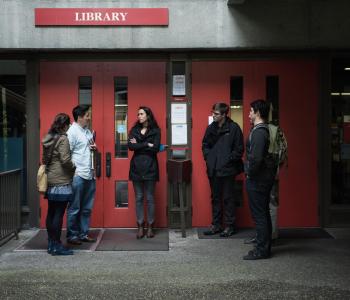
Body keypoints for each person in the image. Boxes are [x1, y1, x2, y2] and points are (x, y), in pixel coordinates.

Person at [202, 102, 244, 237]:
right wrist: (209, 159)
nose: (213, 115)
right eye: (213, 113)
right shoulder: (210, 129)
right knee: (215, 198)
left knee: (228, 198)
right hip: (213, 169)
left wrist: (227, 160)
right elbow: (205, 145)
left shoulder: (234, 128)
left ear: (224, 114)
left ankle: (230, 226)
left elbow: (239, 149)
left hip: (228, 170)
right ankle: (216, 225)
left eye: (216, 114)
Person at [243, 99, 277, 260]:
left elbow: (255, 159)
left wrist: (249, 172)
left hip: (258, 179)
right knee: (263, 213)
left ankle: (261, 250)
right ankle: (264, 247)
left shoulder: (259, 133)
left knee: (260, 215)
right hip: (264, 178)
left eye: (250, 111)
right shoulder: (264, 131)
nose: (249, 114)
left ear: (257, 112)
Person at [42, 113, 75, 255]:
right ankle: (56, 246)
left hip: (50, 179)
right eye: (68, 125)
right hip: (61, 180)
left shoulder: (49, 137)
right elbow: (65, 160)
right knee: (59, 214)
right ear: (65, 125)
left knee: (51, 212)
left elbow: (45, 158)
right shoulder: (63, 139)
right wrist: (74, 167)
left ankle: (51, 243)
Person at [128, 106, 161, 239]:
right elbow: (131, 146)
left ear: (148, 115)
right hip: (136, 167)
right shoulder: (134, 130)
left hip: (151, 168)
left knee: (150, 198)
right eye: (138, 114)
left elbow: (156, 148)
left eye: (141, 114)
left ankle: (151, 226)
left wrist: (140, 144)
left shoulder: (156, 131)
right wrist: (147, 144)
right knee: (139, 198)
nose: (139, 116)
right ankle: (140, 225)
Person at [66, 105, 97, 245]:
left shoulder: (87, 131)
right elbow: (66, 154)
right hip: (78, 175)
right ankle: (72, 235)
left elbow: (88, 148)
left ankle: (83, 234)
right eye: (87, 115)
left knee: (86, 208)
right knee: (74, 208)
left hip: (89, 174)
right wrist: (74, 172)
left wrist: (94, 148)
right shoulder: (72, 132)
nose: (89, 118)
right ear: (79, 117)